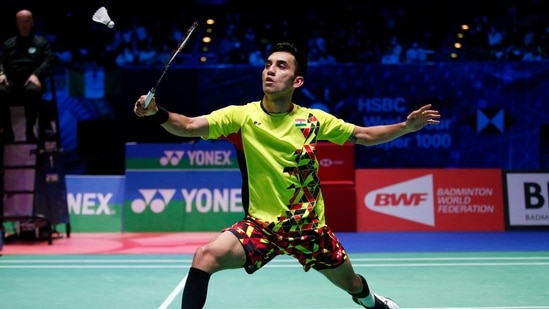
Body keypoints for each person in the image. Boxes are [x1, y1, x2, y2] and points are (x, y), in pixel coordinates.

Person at [134, 42, 440, 309]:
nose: (270, 71)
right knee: (205, 256)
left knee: (352, 284)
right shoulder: (241, 116)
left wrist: (405, 127)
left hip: (309, 230)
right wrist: (158, 113)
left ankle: (370, 302)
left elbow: (363, 135)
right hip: (261, 227)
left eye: (281, 66)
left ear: (297, 80)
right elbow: (187, 125)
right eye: (268, 65)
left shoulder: (312, 120)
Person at [0, 9, 55, 143]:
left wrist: (36, 74)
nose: (23, 24)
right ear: (16, 24)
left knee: (32, 92)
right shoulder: (8, 44)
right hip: (12, 82)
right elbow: (1, 60)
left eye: (26, 21)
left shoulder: (41, 43)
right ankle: (7, 131)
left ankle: (30, 131)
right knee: (0, 91)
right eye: (20, 22)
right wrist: (1, 73)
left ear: (32, 23)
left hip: (32, 82)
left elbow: (48, 60)